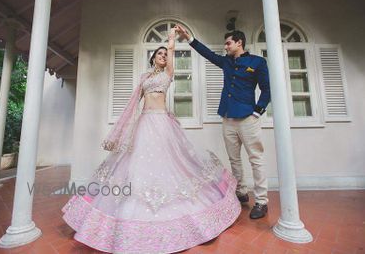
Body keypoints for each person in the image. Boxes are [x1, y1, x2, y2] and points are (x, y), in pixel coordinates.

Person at [62, 26, 241, 253]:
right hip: (144, 123)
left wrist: (171, 40)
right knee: (135, 167)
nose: (163, 56)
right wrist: (119, 132)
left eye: (165, 55)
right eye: (160, 54)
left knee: (174, 164)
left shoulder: (168, 74)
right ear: (153, 58)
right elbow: (132, 105)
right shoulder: (144, 77)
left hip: (163, 124)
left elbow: (172, 52)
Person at [176, 25, 271, 219]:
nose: (225, 47)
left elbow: (267, 89)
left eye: (228, 43)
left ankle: (261, 201)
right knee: (234, 159)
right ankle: (241, 191)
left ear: (239, 42)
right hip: (228, 117)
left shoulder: (258, 62)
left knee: (256, 158)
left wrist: (257, 111)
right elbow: (208, 54)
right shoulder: (226, 62)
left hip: (248, 118)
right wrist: (190, 38)